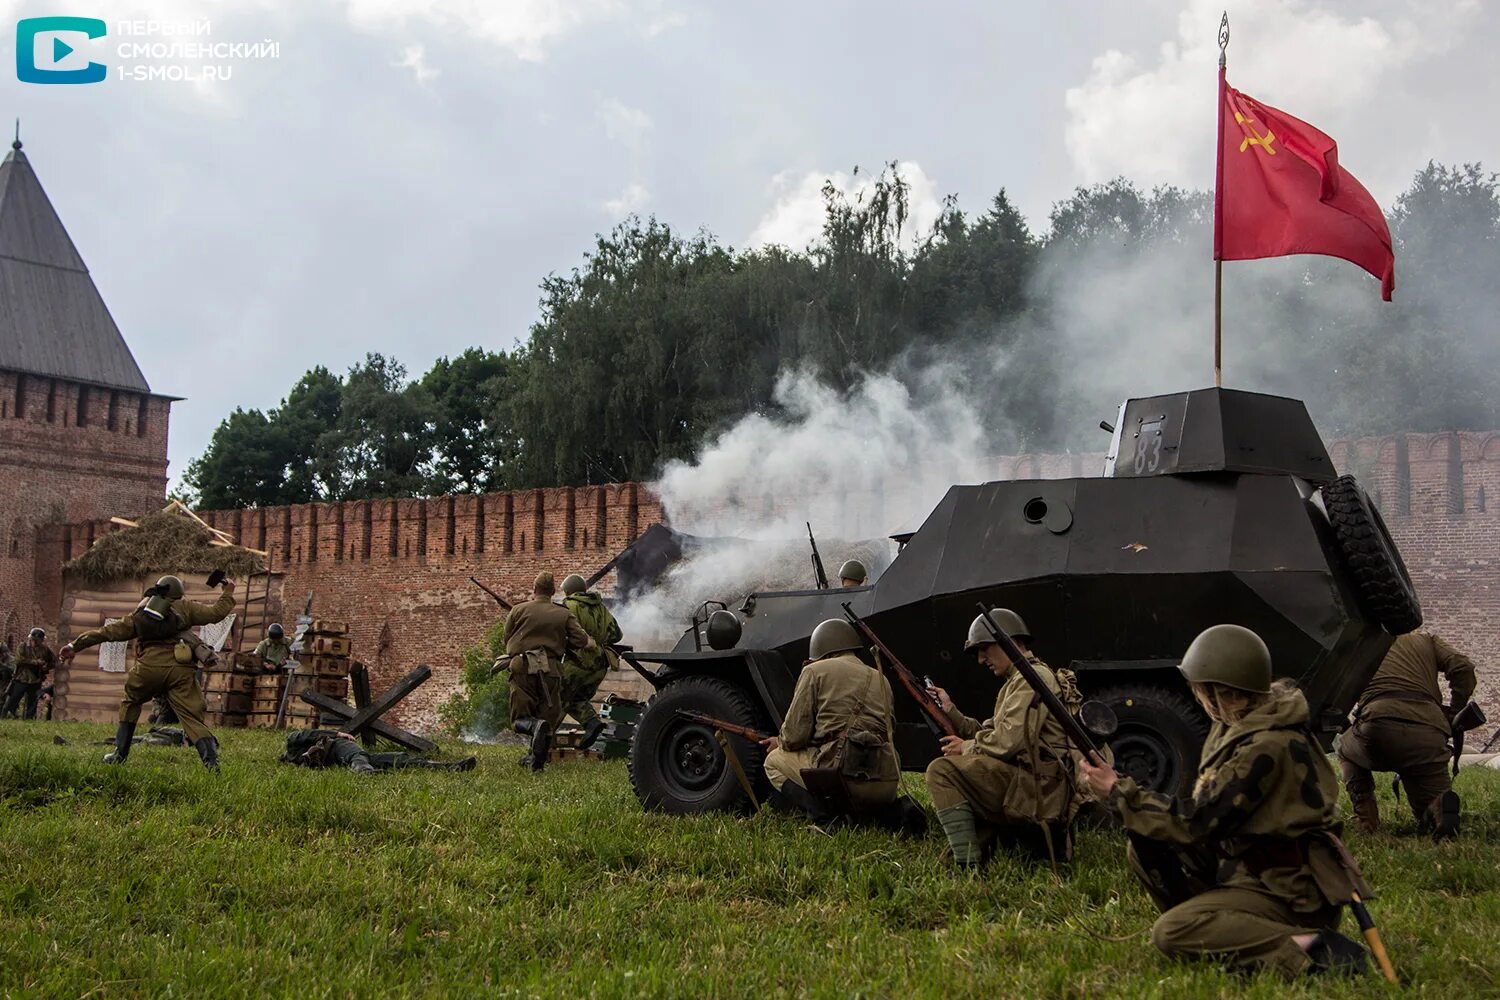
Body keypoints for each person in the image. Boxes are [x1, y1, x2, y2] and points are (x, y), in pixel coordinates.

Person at [1078, 624, 1373, 979]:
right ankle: (1217, 930)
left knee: (1170, 933)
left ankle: (1310, 951)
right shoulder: (1242, 724)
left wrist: (1118, 792)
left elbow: (1198, 822)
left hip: (1289, 891)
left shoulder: (1265, 746)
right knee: (1145, 845)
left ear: (1226, 695)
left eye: (1201, 691)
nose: (1197, 698)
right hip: (1250, 868)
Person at [924, 610, 1084, 867]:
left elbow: (1009, 741)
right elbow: (991, 734)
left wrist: (966, 748)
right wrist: (950, 711)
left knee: (942, 771)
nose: (980, 659)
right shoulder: (1020, 679)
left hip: (1038, 788)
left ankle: (968, 866)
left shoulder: (1032, 677)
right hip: (1031, 780)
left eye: (984, 648)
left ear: (1009, 641)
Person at [759, 619, 923, 833]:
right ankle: (882, 815)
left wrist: (779, 743)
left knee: (773, 761)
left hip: (842, 778)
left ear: (820, 650)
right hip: (885, 782)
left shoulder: (814, 671)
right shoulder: (880, 677)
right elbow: (888, 729)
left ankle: (825, 819)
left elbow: (793, 736)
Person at [59, 574, 235, 770]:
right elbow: (216, 613)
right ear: (179, 593)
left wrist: (75, 645)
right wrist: (228, 592)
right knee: (191, 716)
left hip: (148, 667)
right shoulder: (187, 607)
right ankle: (211, 762)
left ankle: (119, 754)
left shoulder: (143, 613)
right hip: (180, 667)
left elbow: (108, 632)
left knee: (131, 702)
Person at [1336, 631, 1477, 840]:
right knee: (1429, 809)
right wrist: (1455, 712)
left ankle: (1368, 821)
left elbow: (1331, 692)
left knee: (1345, 750)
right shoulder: (1426, 639)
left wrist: (1346, 726)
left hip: (1378, 725)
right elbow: (1462, 666)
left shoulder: (1359, 640)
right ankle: (1438, 807)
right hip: (1429, 730)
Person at [496, 571, 593, 772]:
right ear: (552, 591)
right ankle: (537, 767)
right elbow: (581, 641)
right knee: (547, 719)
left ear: (534, 589)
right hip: (551, 670)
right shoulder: (563, 613)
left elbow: (506, 640)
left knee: (520, 719)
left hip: (522, 666)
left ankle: (533, 727)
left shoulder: (518, 610)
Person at [559, 573, 623, 749]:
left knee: (558, 698)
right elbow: (617, 635)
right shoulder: (601, 607)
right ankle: (591, 724)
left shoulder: (568, 605)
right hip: (600, 663)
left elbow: (558, 632)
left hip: (578, 661)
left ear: (568, 591)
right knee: (576, 698)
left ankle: (542, 745)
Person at [279, 729, 476, 774]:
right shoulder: (294, 752)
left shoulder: (292, 747)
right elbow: (309, 735)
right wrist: (339, 734)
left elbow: (310, 734)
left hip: (340, 750)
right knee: (359, 757)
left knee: (399, 758)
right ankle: (364, 771)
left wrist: (334, 734)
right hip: (339, 751)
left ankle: (447, 767)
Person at [3, 628, 56, 719]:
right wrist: (36, 662)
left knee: (32, 703)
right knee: (13, 700)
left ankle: (29, 719)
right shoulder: (22, 646)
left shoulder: (45, 649)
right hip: (22, 678)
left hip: (36, 680)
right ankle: (5, 717)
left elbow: (53, 661)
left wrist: (46, 667)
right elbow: (19, 660)